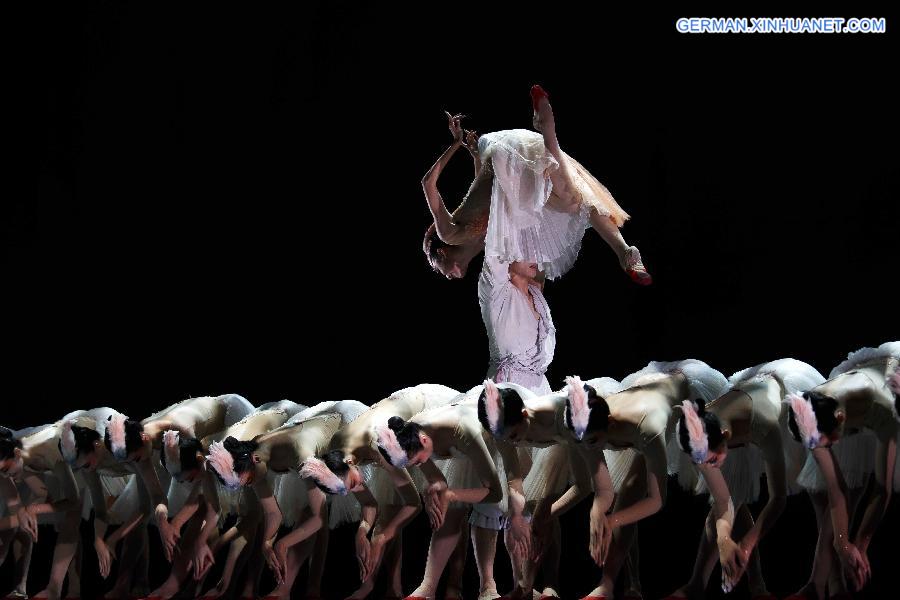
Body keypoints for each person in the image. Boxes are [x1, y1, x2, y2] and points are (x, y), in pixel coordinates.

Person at [423, 87, 651, 284]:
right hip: (514, 191)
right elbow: (481, 193)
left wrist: (456, 143)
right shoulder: (484, 243)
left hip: (507, 171)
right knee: (575, 200)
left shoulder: (448, 234)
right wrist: (474, 157)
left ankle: (547, 132)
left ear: (441, 255)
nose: (443, 275)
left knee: (569, 198)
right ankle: (625, 252)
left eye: (435, 268)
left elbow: (427, 184)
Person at [664, 358, 826, 600]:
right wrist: (724, 539)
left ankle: (820, 583)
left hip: (781, 397)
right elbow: (723, 501)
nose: (709, 466)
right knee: (733, 493)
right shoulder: (698, 430)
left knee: (821, 492)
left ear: (725, 436)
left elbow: (778, 498)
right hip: (740, 404)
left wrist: (746, 546)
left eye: (711, 460)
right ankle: (700, 585)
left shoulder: (764, 424)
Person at [284, 384, 461, 600]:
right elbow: (369, 503)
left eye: (351, 485)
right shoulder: (337, 449)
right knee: (389, 506)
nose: (355, 489)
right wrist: (362, 529)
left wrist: (382, 537)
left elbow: (413, 503)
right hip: (384, 428)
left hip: (424, 411)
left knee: (450, 497)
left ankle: (454, 586)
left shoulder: (379, 446)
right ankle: (392, 589)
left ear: (350, 462)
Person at [783, 342, 899, 600]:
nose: (826, 450)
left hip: (885, 390)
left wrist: (861, 544)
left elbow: (882, 489)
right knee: (833, 492)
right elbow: (837, 490)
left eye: (828, 443)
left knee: (865, 481)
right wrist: (843, 542)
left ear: (840, 419)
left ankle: (830, 585)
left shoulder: (885, 408)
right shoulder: (811, 411)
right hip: (850, 388)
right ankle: (822, 585)